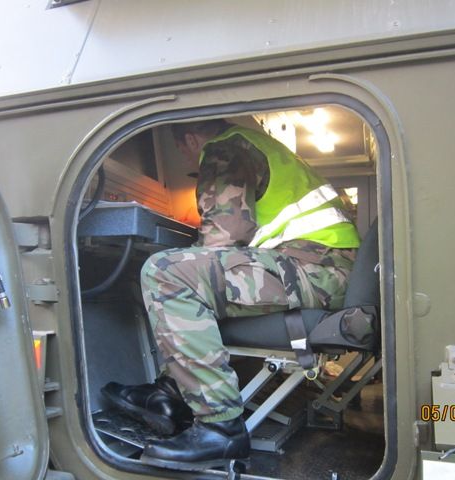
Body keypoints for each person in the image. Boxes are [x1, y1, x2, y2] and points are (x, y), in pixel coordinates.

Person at [102, 118, 360, 470]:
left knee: (167, 272)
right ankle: (172, 392)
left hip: (317, 269)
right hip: (327, 268)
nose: (188, 159)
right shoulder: (254, 144)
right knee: (193, 278)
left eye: (182, 152)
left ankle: (219, 427)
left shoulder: (225, 147)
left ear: (189, 139)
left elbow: (224, 235)